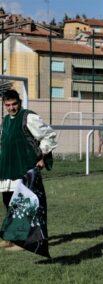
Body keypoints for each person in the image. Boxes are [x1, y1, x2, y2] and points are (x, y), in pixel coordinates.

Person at [0, 89, 57, 251]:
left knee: (23, 204)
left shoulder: (28, 117)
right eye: (8, 105)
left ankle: (23, 241)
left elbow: (49, 136)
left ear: (19, 102)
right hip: (8, 169)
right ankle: (11, 237)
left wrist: (42, 157)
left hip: (25, 167)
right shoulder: (5, 120)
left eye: (14, 104)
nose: (11, 108)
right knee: (9, 202)